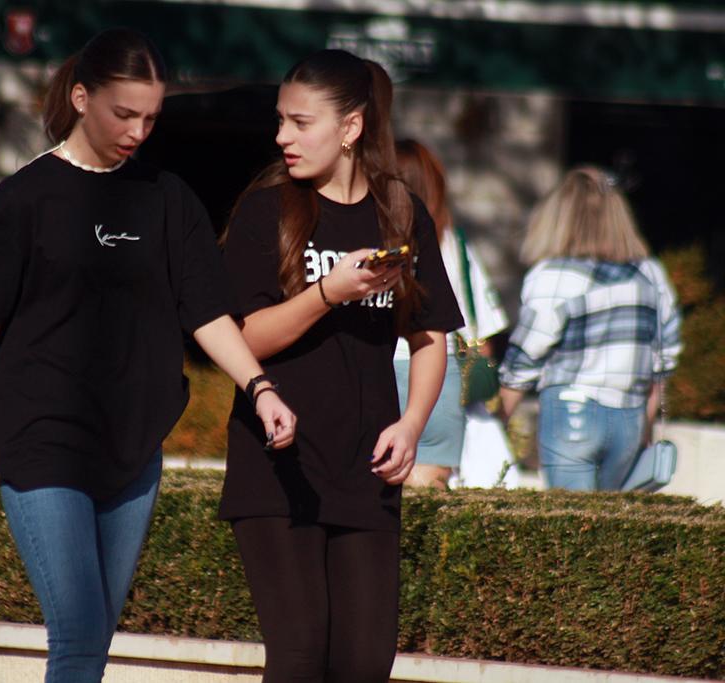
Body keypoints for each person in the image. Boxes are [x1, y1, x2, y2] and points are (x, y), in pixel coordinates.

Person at [0, 28, 297, 683]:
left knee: (94, 638)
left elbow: (208, 315)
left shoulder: (168, 199)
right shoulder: (25, 199)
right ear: (81, 97)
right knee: (78, 635)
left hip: (133, 445)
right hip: (41, 436)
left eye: (152, 118)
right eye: (124, 113)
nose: (138, 131)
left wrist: (261, 387)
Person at [219, 50, 464, 682]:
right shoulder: (265, 210)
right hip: (278, 465)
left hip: (367, 467)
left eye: (301, 123)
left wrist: (411, 425)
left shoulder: (400, 211)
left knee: (364, 663)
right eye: (281, 120)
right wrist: (328, 292)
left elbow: (430, 337)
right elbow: (243, 337)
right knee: (300, 657)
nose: (283, 136)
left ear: (351, 127)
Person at [499, 166, 682, 491]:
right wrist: (646, 423)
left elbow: (527, 356)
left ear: (558, 217)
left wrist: (498, 418)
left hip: (571, 409)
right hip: (630, 416)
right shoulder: (650, 273)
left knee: (571, 519)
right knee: (610, 517)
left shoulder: (553, 274)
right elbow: (665, 357)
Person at [393, 139, 508, 489]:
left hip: (380, 372)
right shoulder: (455, 245)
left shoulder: (366, 242)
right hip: (441, 377)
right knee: (428, 497)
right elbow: (484, 335)